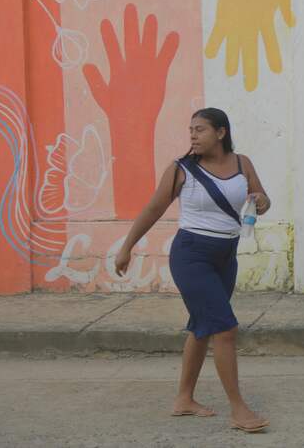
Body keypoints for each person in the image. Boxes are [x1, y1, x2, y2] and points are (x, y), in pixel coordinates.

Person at [114, 108, 271, 433]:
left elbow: (262, 199)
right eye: (191, 130)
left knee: (203, 325)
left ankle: (184, 399)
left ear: (221, 132)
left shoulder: (242, 163)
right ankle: (239, 409)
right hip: (191, 255)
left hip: (226, 257)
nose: (193, 136)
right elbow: (154, 209)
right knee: (224, 329)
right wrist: (126, 247)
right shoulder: (181, 169)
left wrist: (260, 201)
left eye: (200, 129)